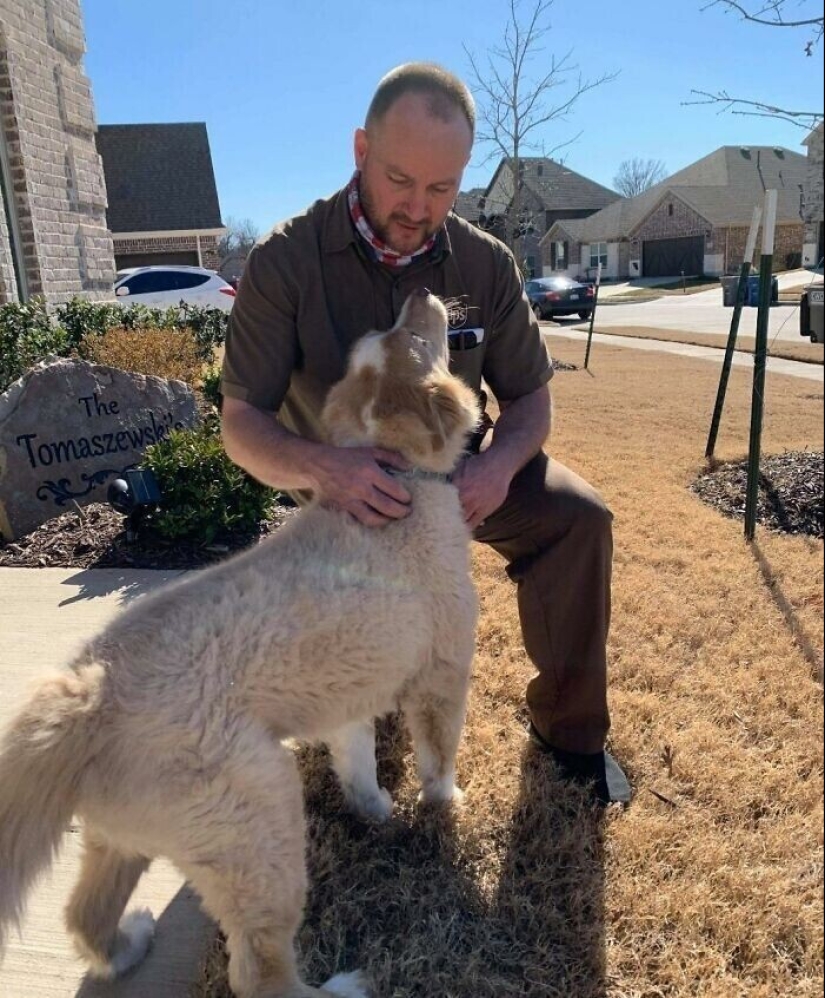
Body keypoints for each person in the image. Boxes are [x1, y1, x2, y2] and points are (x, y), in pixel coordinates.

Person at [220, 62, 631, 806]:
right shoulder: (283, 261)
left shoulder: (484, 261)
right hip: (344, 493)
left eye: (441, 188)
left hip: (461, 480)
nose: (417, 207)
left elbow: (531, 397)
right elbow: (241, 423)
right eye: (399, 179)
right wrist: (323, 469)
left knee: (578, 518)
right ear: (360, 150)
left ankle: (570, 737)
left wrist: (500, 466)